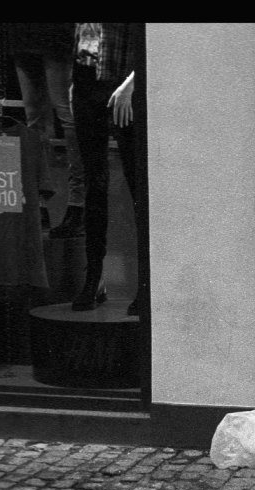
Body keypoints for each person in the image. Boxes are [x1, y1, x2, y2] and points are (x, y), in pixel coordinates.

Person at [69, 23, 145, 314]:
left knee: (137, 184)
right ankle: (94, 277)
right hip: (86, 81)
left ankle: (145, 283)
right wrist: (74, 81)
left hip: (121, 82)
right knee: (95, 185)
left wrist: (133, 81)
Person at [5, 23, 85, 238]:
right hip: (23, 36)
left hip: (54, 34)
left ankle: (78, 204)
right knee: (36, 121)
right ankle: (39, 202)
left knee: (66, 117)